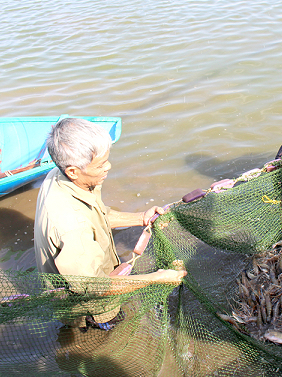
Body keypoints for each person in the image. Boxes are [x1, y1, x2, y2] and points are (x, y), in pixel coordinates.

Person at [34, 117, 186, 331]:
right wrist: (156, 278)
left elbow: (97, 215)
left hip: (87, 274)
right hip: (85, 303)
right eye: (100, 165)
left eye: (107, 160)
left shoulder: (59, 176)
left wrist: (141, 217)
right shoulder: (72, 226)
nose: (108, 167)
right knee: (107, 327)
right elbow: (95, 288)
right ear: (73, 171)